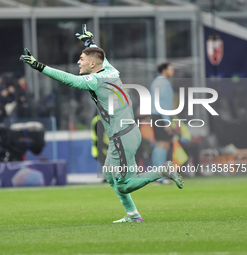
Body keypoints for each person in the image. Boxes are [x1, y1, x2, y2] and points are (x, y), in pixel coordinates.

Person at [20, 24, 184, 223]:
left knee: (123, 185)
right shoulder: (111, 70)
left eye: (81, 59)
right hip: (125, 134)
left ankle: (162, 170)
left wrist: (40, 66)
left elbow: (69, 80)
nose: (78, 62)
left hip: (123, 136)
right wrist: (89, 42)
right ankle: (133, 215)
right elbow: (101, 57)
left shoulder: (94, 80)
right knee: (108, 173)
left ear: (91, 65)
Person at [150, 63, 175, 184]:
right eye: (170, 69)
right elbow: (164, 103)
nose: (173, 71)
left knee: (160, 143)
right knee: (163, 144)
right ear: (164, 70)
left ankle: (156, 175)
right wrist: (167, 121)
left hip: (155, 115)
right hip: (161, 115)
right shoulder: (164, 83)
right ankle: (160, 176)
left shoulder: (155, 82)